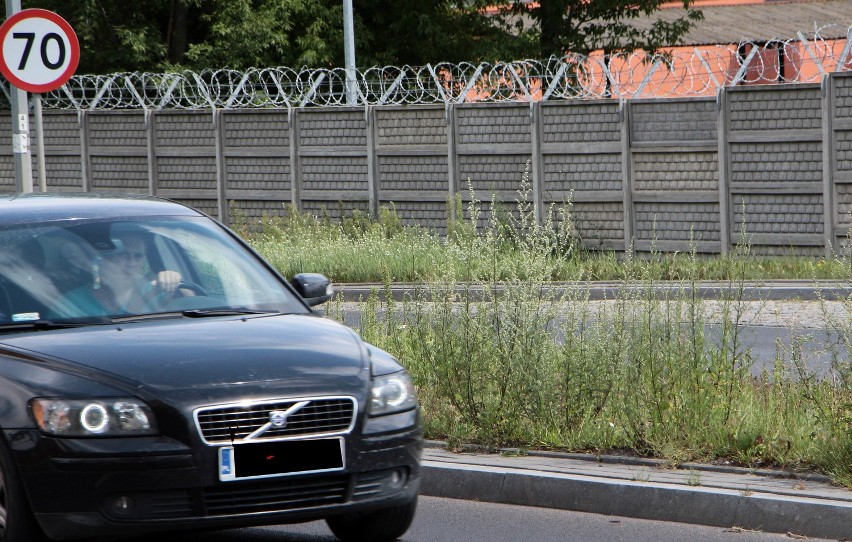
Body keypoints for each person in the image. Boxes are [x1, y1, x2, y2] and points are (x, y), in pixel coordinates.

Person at [60, 232, 185, 317]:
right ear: (105, 257)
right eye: (123, 255)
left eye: (138, 256)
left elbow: (194, 305)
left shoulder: (154, 290)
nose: (131, 263)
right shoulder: (72, 303)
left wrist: (174, 282)